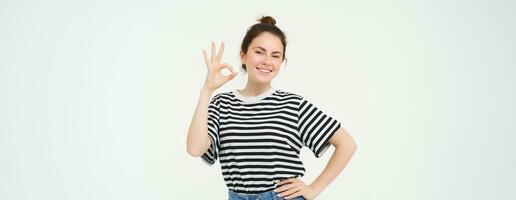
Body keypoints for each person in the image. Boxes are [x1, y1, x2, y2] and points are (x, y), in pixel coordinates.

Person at [187, 16, 357, 200]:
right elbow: (195, 149)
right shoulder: (222, 104)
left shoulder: (293, 105)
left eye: (275, 55)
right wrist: (207, 90)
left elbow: (347, 144)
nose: (267, 61)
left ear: (281, 62)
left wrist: (313, 189)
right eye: (259, 52)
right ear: (243, 55)